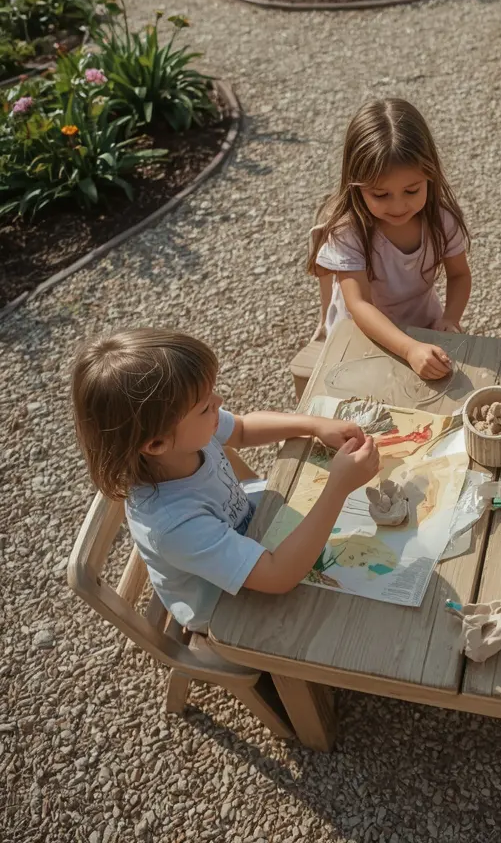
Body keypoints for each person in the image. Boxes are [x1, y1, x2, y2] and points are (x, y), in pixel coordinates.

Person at [72, 329, 380, 632]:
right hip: (227, 607)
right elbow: (279, 576)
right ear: (155, 444)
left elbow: (243, 429)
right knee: (351, 622)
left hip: (253, 538)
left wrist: (314, 425)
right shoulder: (175, 524)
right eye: (206, 406)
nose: (219, 401)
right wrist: (338, 487)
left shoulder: (178, 441)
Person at [307, 98, 471, 381]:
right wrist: (408, 349)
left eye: (411, 191)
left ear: (430, 176)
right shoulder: (348, 232)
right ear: (355, 185)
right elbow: (359, 305)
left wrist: (450, 318)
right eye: (380, 195)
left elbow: (459, 275)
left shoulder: (442, 221)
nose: (397, 207)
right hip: (359, 335)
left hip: (423, 325)